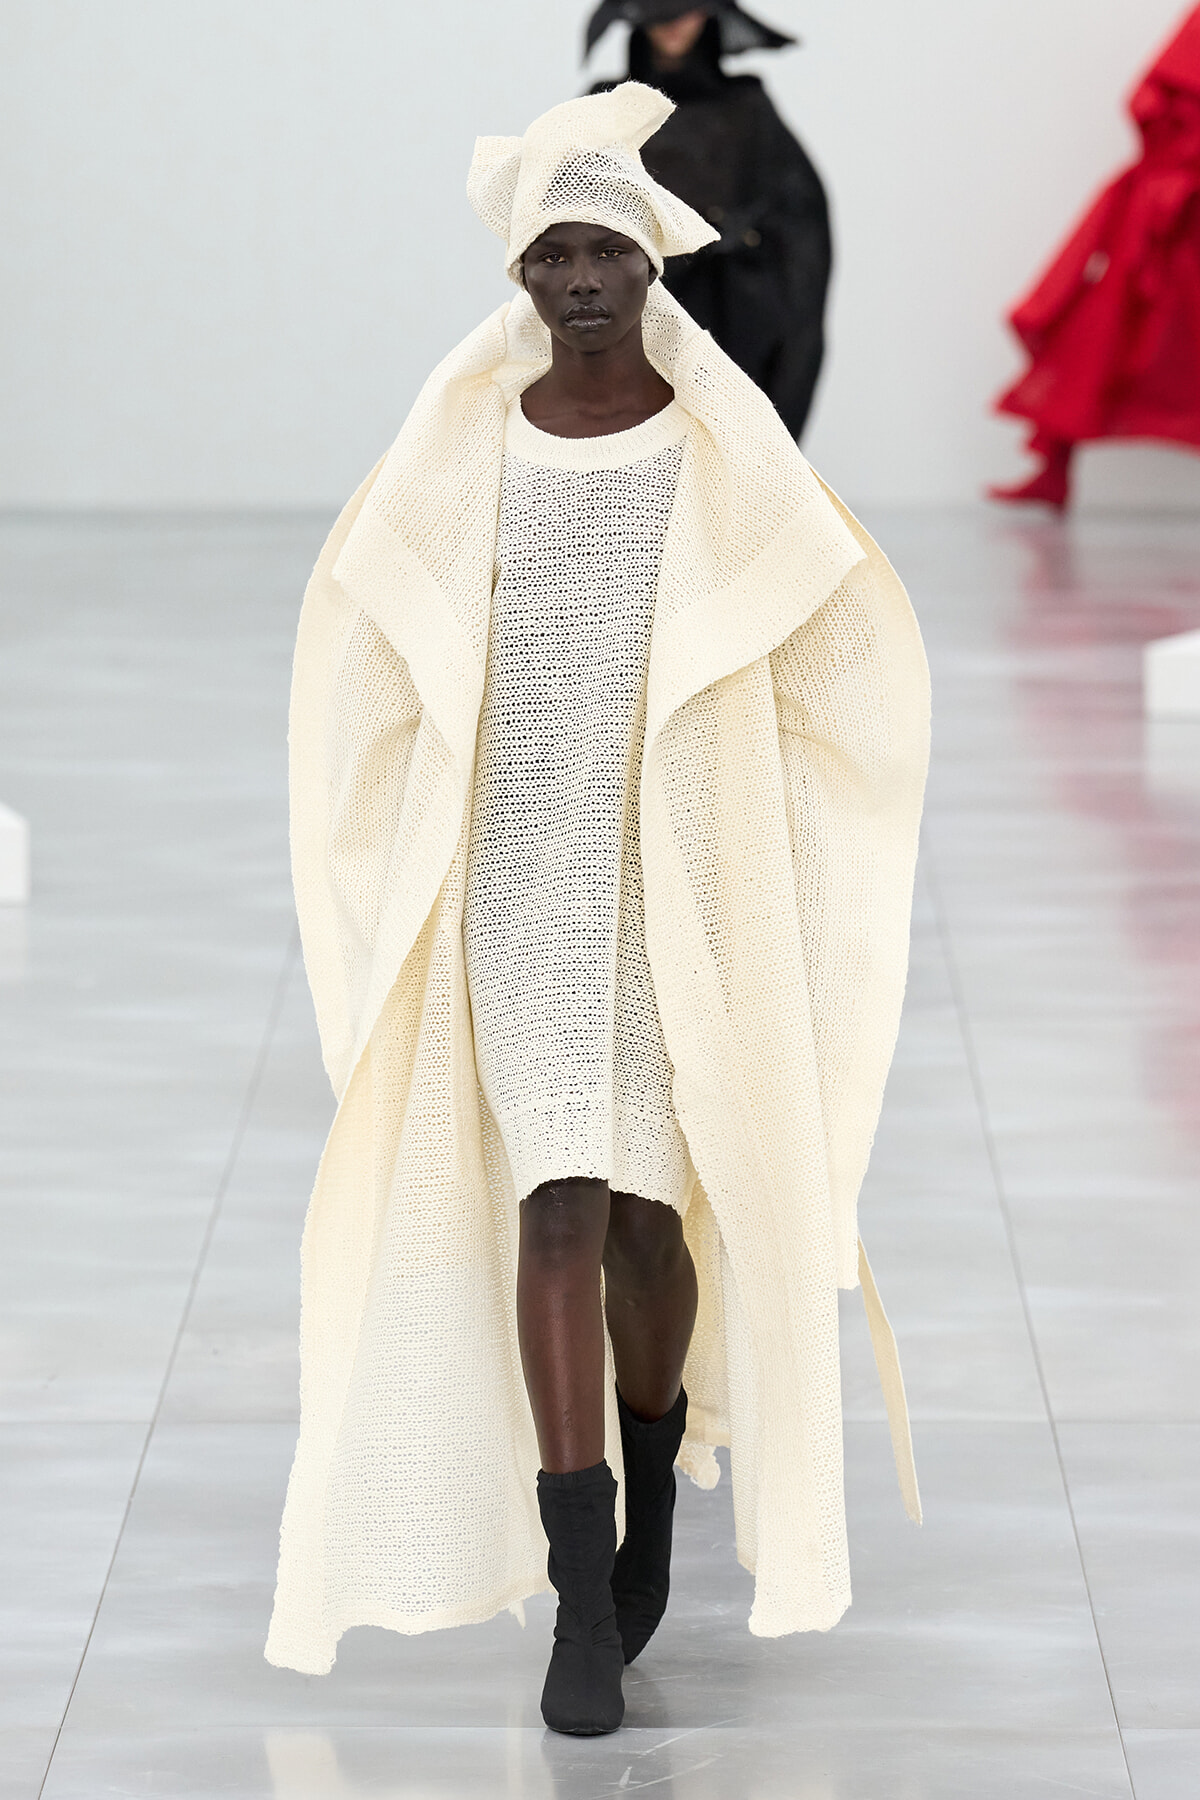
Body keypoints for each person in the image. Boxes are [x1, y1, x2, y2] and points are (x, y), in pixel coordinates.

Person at [266, 83, 928, 1738]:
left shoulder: (716, 445)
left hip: (670, 886)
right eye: (550, 249)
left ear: (649, 269)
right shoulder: (465, 439)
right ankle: (579, 1593)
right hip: (515, 875)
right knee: (552, 1205)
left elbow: (834, 640)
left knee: (645, 1217)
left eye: (603, 249)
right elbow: (371, 631)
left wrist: (770, 819)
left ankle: (649, 1476)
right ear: (520, 269)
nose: (576, 277)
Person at [586, 1, 832, 439]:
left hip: (735, 318)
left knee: (729, 443)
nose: (675, 25)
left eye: (689, 9)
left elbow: (800, 217)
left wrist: (738, 240)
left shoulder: (747, 107)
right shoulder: (609, 109)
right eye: (660, 12)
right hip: (638, 311)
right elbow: (573, 204)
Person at [991, 5, 1200, 510]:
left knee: (1130, 337)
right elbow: (1163, 103)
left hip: (1178, 214)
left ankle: (1053, 469)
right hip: (1164, 212)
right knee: (1096, 335)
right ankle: (1053, 468)